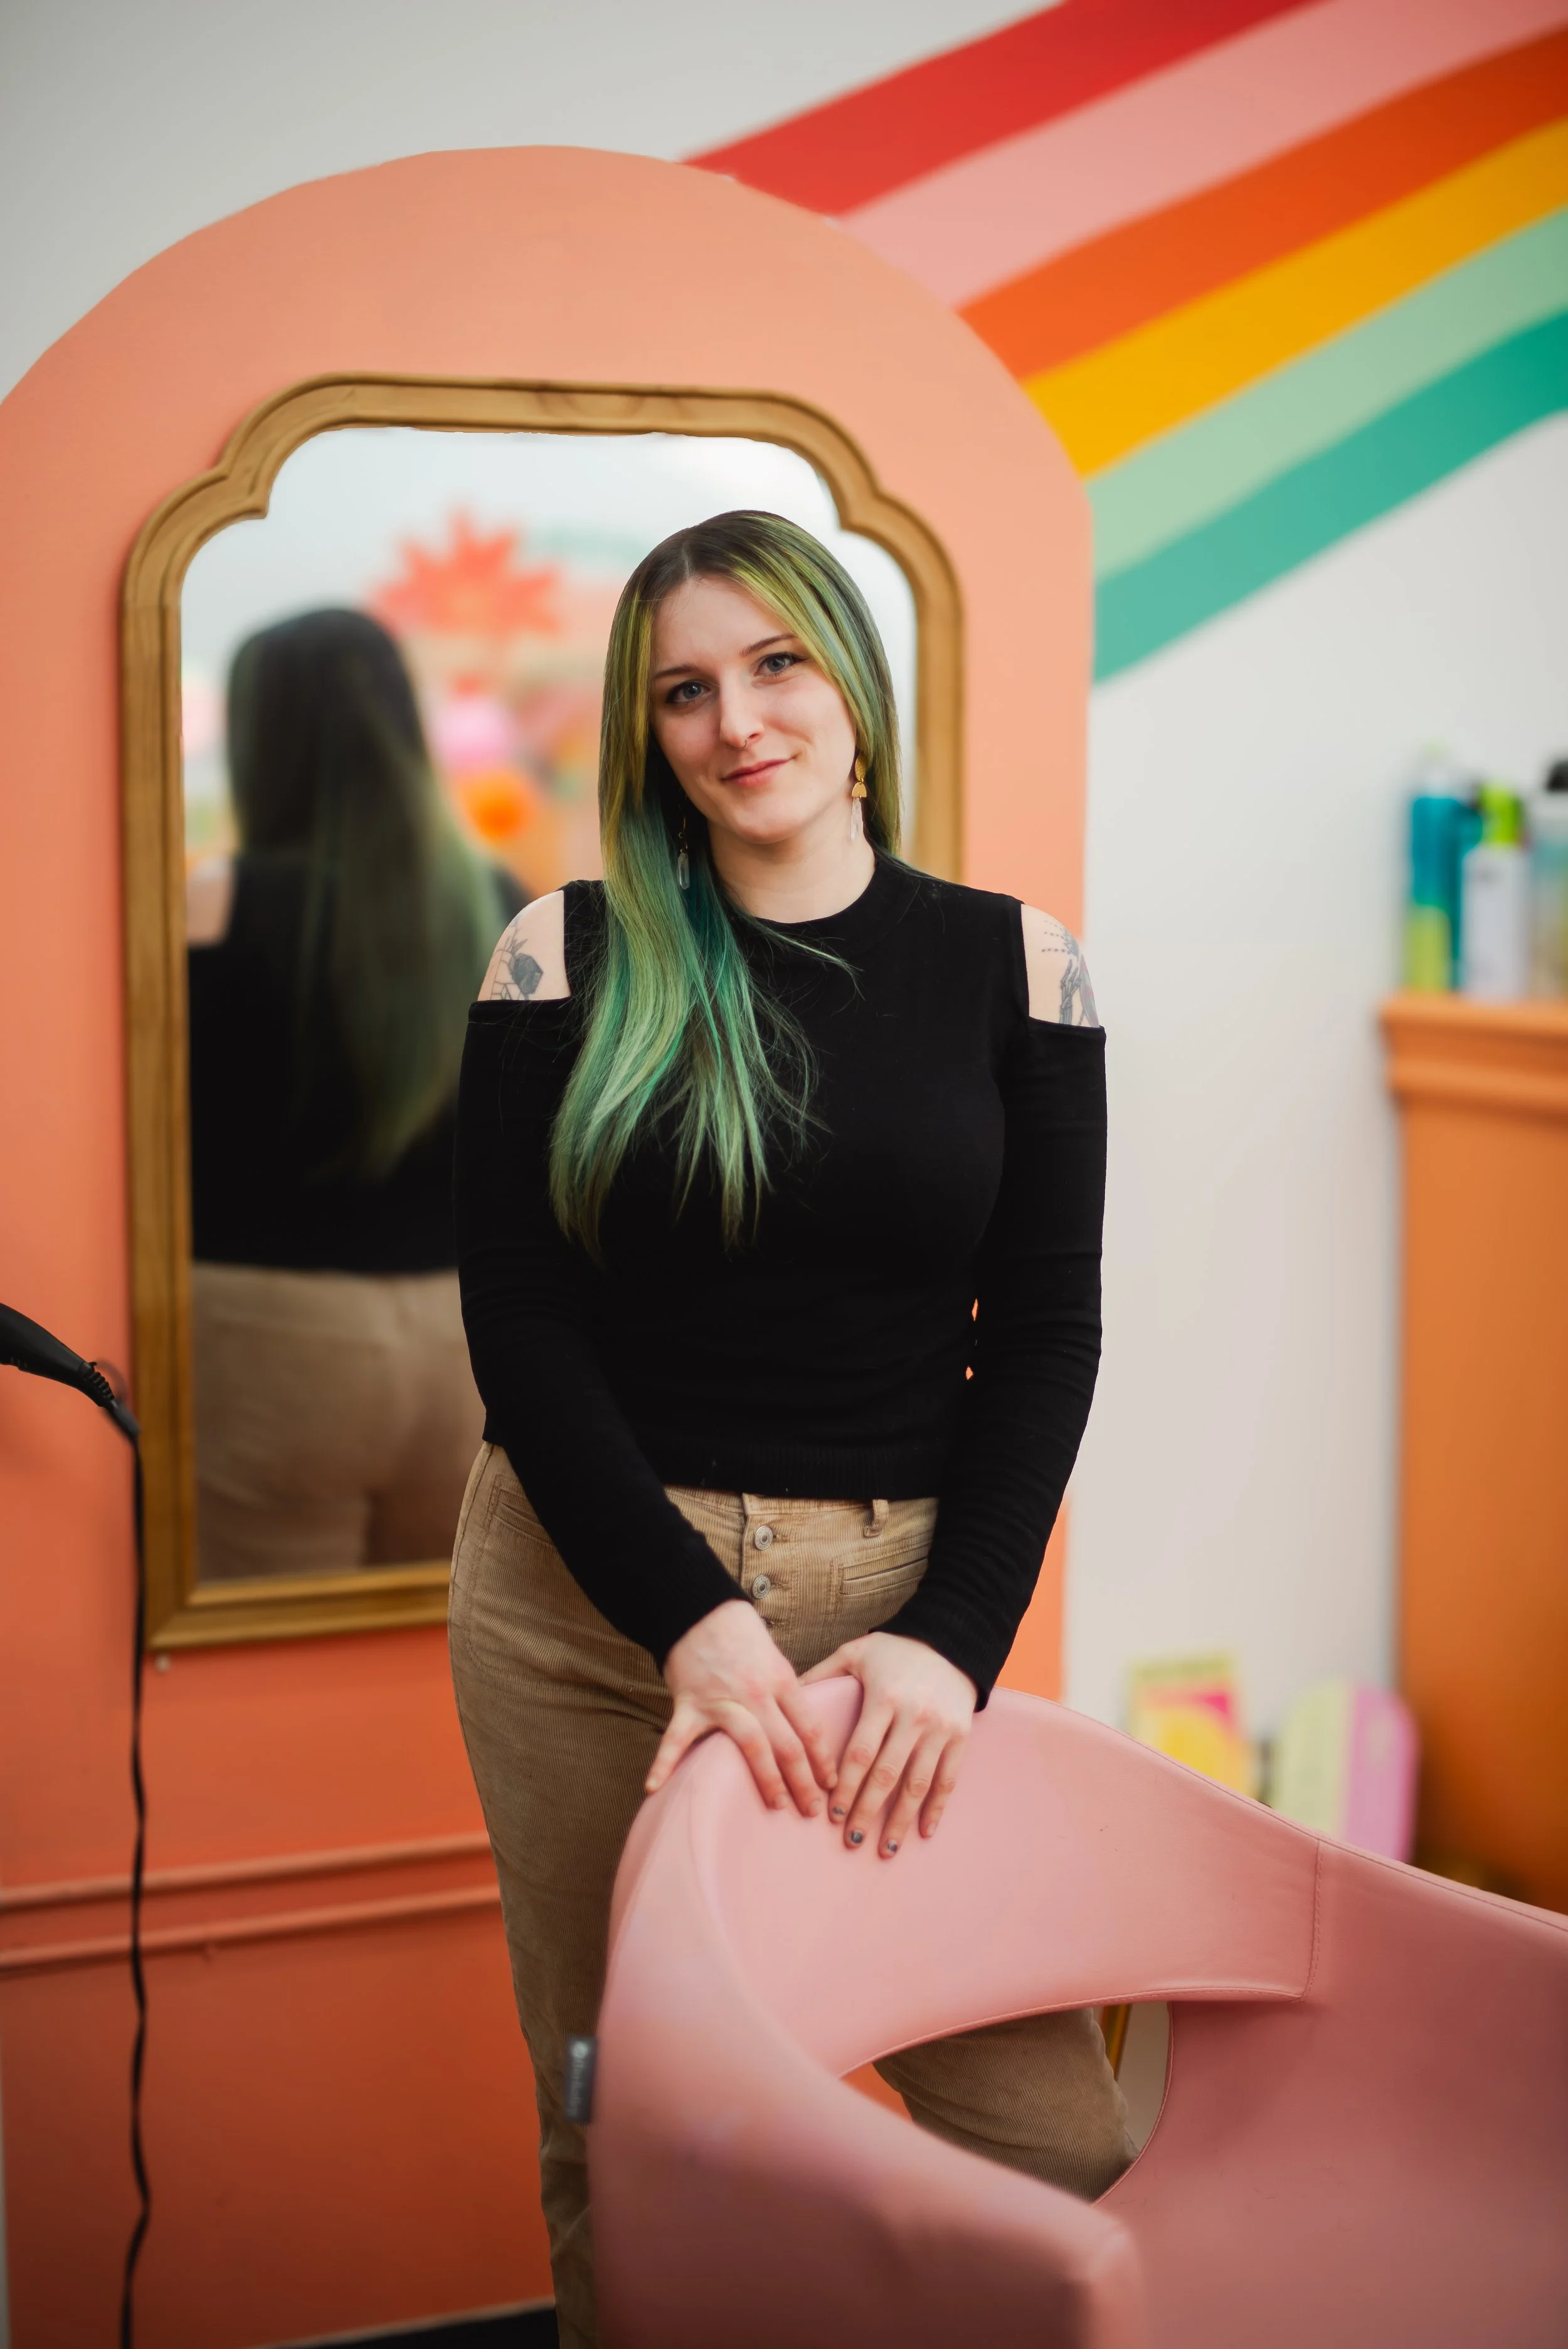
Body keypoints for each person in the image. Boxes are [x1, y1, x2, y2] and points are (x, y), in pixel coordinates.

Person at [448, 512, 1127, 2346]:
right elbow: (517, 1322)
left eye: (773, 665)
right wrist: (688, 1618)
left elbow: (1045, 1334)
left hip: (891, 1620)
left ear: (850, 681)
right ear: (643, 731)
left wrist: (951, 1644)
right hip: (584, 1615)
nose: (736, 722)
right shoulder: (561, 957)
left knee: (1057, 2143)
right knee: (620, 2114)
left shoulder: (1018, 968)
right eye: (682, 691)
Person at [186, 608, 520, 1578]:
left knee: (265, 1640)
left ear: (261, 739)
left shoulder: (219, 901)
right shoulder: (497, 898)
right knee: (433, 1635)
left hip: (273, 1340)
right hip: (462, 1337)